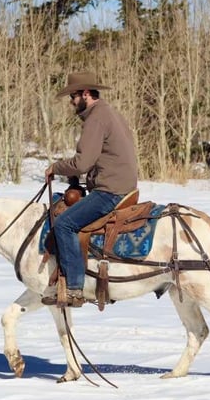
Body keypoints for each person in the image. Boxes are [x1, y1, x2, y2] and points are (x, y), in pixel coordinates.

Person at [43, 72, 139, 306]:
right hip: (121, 184)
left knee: (65, 223)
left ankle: (75, 288)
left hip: (110, 190)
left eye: (73, 96)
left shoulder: (96, 118)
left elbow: (83, 163)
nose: (71, 101)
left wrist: (56, 167)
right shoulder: (108, 112)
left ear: (86, 94)